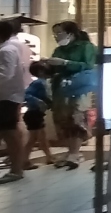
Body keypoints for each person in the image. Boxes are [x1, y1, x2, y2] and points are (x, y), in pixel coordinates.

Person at [41, 20, 97, 170]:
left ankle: (74, 153)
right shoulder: (59, 50)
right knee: (63, 119)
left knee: (77, 117)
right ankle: (72, 152)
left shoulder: (86, 46)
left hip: (79, 87)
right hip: (61, 87)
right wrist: (47, 65)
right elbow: (53, 70)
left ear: (71, 33)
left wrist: (65, 63)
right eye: (54, 34)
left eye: (59, 33)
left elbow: (88, 65)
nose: (56, 36)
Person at [0, 19, 31, 183]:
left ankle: (16, 169)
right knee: (7, 132)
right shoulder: (4, 49)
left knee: (10, 133)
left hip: (6, 97)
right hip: (2, 97)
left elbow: (4, 75)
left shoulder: (7, 50)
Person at [23, 61, 55, 169]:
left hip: (36, 113)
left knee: (40, 137)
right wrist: (38, 101)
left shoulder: (43, 82)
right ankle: (24, 161)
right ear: (41, 71)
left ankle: (49, 157)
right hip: (34, 113)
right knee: (36, 138)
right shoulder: (39, 83)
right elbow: (26, 94)